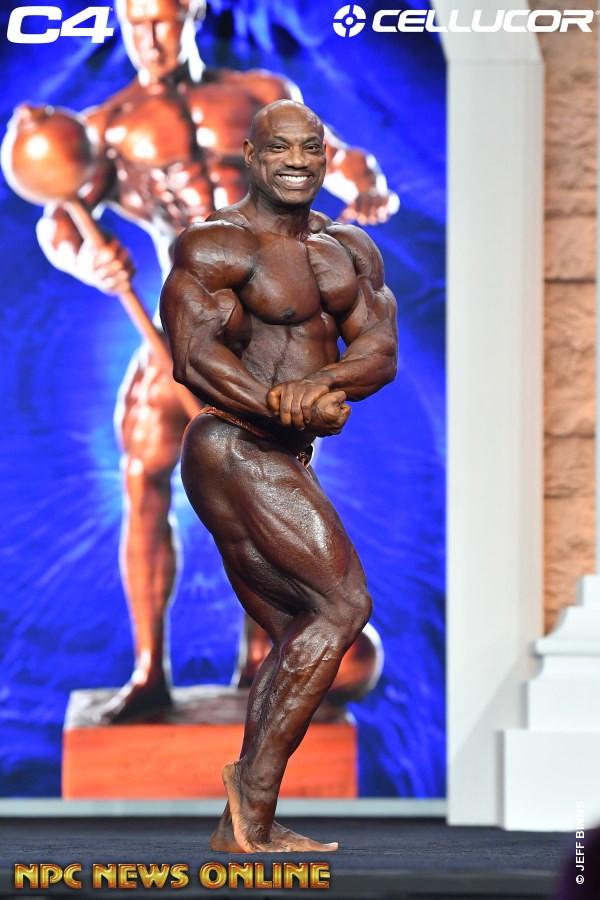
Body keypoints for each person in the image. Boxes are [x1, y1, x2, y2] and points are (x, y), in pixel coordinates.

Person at [33, 0, 398, 722]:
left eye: (162, 21)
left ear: (191, 13)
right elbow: (58, 219)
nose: (148, 38)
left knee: (267, 489)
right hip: (183, 328)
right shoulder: (106, 128)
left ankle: (261, 660)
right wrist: (84, 262)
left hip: (268, 333)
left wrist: (366, 185)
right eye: (135, 23)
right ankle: (148, 673)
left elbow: (340, 158)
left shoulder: (260, 96)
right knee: (144, 475)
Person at [160, 99, 398, 852]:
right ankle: (253, 792)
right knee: (343, 603)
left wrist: (319, 387)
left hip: (282, 453)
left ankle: (245, 827)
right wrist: (279, 404)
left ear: (325, 156)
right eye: (280, 147)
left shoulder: (348, 248)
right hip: (231, 444)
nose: (298, 160)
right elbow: (193, 359)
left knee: (302, 627)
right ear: (251, 155)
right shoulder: (216, 244)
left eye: (311, 148)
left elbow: (379, 351)